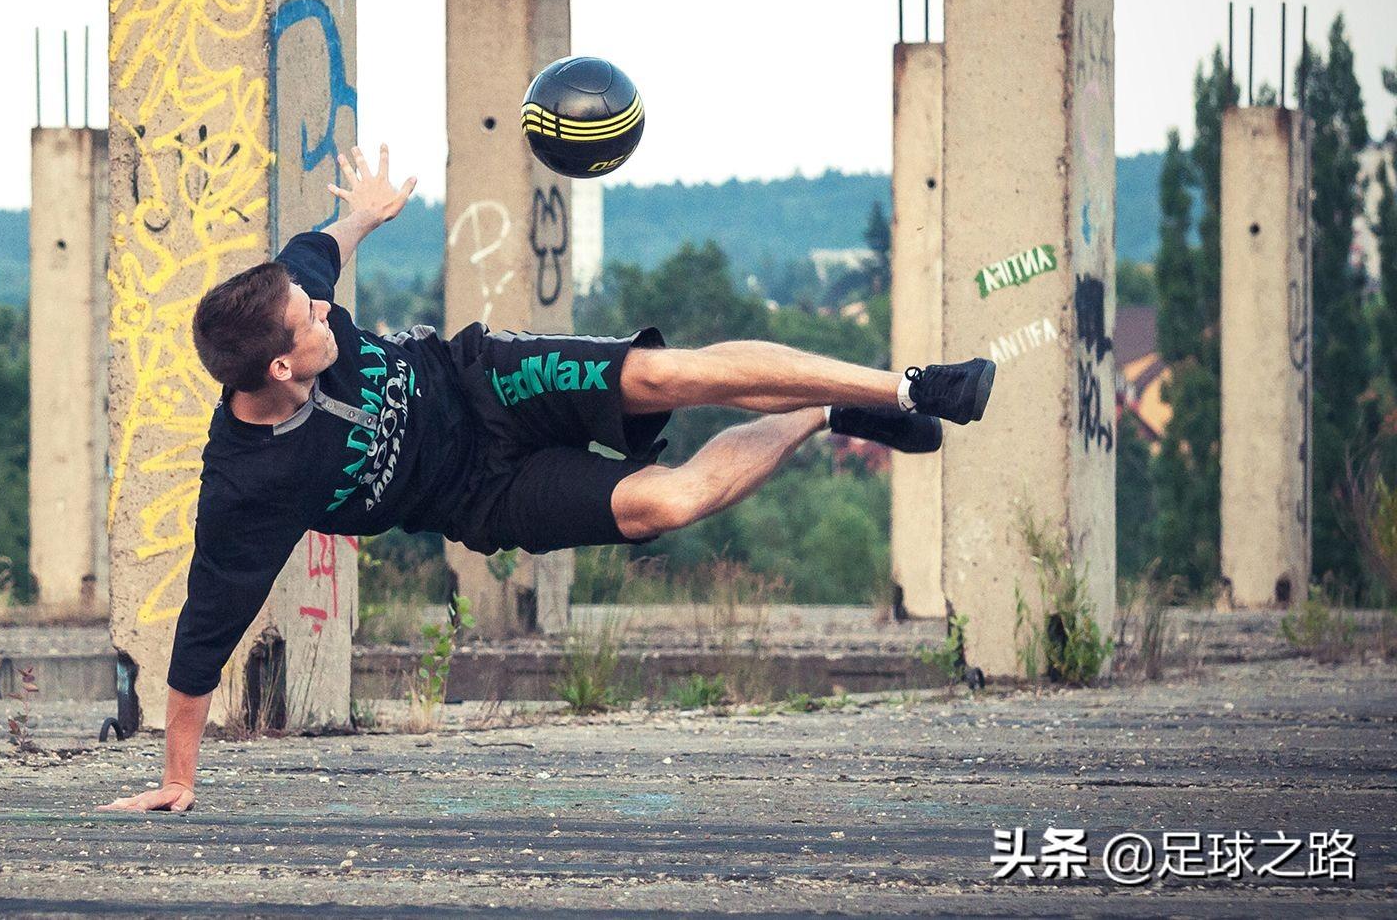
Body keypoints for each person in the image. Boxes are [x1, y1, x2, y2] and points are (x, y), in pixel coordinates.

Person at [98, 146, 993, 813]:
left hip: (484, 381)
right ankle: (821, 414)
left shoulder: (290, 299)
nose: (325, 307)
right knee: (666, 504)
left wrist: (370, 209)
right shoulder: (249, 486)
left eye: (311, 297)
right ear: (282, 370)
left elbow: (324, 243)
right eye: (311, 320)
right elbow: (203, 629)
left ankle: (912, 385)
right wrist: (178, 777)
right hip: (476, 499)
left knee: (667, 374)